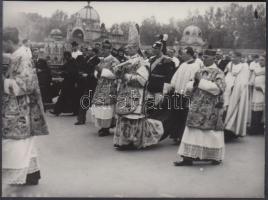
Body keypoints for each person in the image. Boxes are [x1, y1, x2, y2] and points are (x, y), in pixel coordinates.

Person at [2, 27, 49, 186]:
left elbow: (25, 85)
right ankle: (31, 175)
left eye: (3, 42)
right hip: (17, 106)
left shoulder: (23, 58)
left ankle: (13, 177)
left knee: (14, 143)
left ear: (8, 41)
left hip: (20, 109)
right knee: (23, 144)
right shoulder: (17, 55)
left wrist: (3, 82)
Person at [113, 23, 163, 149]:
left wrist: (126, 76)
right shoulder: (126, 61)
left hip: (136, 93)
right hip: (125, 92)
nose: (127, 50)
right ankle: (124, 141)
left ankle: (134, 141)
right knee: (124, 116)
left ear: (136, 48)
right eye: (127, 48)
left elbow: (143, 80)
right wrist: (119, 74)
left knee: (133, 117)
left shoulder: (142, 62)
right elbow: (120, 75)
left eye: (130, 48)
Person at [174, 49, 226, 166]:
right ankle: (187, 157)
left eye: (207, 57)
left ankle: (214, 157)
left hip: (210, 107)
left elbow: (219, 88)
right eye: (203, 56)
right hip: (196, 105)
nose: (204, 59)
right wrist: (192, 85)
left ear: (214, 58)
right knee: (192, 131)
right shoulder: (200, 70)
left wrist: (200, 81)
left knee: (210, 132)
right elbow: (191, 85)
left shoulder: (218, 72)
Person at [163, 47, 202, 144]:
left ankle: (182, 136)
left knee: (184, 116)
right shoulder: (183, 64)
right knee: (176, 114)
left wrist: (189, 90)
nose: (182, 55)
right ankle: (175, 135)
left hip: (186, 95)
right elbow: (175, 77)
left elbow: (195, 80)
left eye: (184, 54)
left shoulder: (196, 66)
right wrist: (172, 85)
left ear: (189, 54)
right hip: (177, 93)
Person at [146, 39, 175, 142]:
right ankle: (148, 134)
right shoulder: (151, 60)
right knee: (149, 111)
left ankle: (157, 134)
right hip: (150, 89)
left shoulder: (167, 61)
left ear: (161, 49)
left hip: (159, 90)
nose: (154, 50)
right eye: (153, 48)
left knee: (157, 113)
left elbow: (169, 78)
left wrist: (164, 92)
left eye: (156, 49)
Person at [91, 40, 120, 137]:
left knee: (107, 108)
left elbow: (116, 74)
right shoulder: (102, 60)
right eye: (102, 48)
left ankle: (106, 128)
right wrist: (97, 72)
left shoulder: (115, 61)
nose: (103, 50)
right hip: (101, 86)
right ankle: (102, 127)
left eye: (106, 48)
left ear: (110, 49)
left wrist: (101, 71)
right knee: (100, 107)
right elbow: (97, 73)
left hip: (109, 87)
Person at [223, 51, 250, 139]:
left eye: (234, 57)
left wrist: (236, 88)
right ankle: (225, 130)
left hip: (237, 93)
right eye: (231, 57)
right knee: (225, 108)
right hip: (227, 90)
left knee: (235, 111)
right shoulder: (229, 64)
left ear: (239, 57)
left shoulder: (244, 66)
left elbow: (244, 80)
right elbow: (226, 75)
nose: (232, 58)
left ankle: (233, 132)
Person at [50, 51, 78, 116]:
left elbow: (72, 73)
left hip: (71, 82)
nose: (64, 58)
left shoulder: (73, 62)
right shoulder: (70, 62)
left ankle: (57, 111)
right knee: (65, 97)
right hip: (68, 82)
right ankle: (57, 111)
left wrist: (61, 73)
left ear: (67, 56)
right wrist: (57, 70)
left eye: (65, 56)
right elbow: (62, 67)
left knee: (66, 97)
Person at [249, 54, 265, 134]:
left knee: (261, 111)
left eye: (262, 60)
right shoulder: (256, 69)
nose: (260, 61)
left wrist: (262, 88)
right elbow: (252, 79)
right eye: (260, 60)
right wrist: (251, 83)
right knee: (254, 110)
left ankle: (259, 128)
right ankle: (253, 128)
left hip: (263, 93)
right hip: (255, 92)